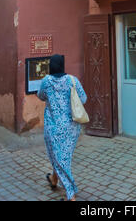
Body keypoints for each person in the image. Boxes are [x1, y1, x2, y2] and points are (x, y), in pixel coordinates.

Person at [37, 54, 87, 201]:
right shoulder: (72, 80)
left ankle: (71, 195)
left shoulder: (46, 81)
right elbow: (83, 98)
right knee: (61, 156)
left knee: (59, 157)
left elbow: (40, 96)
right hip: (71, 127)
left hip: (53, 127)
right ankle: (54, 179)